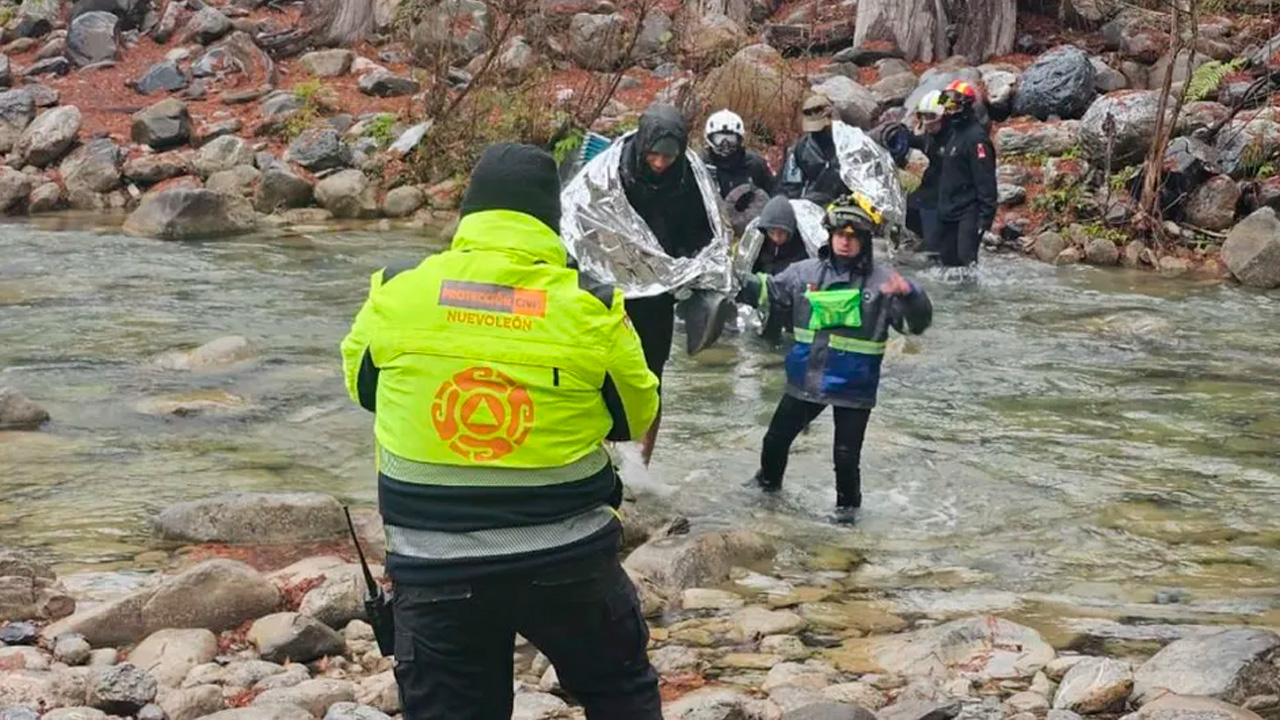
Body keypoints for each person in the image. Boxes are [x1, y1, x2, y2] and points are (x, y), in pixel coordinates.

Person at [340, 143, 663, 720]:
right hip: (567, 560)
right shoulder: (590, 305)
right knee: (621, 693)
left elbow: (365, 389)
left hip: (434, 565)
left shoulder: (397, 291)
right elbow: (634, 416)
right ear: (550, 219)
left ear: (469, 212)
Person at [736, 193, 933, 521]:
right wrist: (735, 281)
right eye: (840, 235)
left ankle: (847, 516)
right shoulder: (805, 273)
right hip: (806, 382)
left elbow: (918, 324)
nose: (845, 243)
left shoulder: (884, 283)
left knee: (845, 458)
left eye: (853, 237)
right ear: (830, 235)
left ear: (865, 241)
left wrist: (911, 296)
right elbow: (768, 291)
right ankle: (767, 492)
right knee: (775, 440)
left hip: (855, 389)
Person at [620, 103, 716, 464]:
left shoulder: (689, 178)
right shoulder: (616, 169)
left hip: (660, 288)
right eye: (655, 155)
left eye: (668, 157)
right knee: (602, 370)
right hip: (614, 281)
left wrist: (689, 269)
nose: (660, 163)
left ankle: (642, 459)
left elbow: (704, 231)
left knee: (651, 374)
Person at [935, 80, 998, 268]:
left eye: (952, 105)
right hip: (948, 211)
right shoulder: (952, 134)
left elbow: (986, 181)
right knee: (946, 263)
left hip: (968, 214)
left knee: (965, 263)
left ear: (965, 106)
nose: (949, 110)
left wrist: (984, 220)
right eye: (946, 105)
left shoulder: (976, 139)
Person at [703, 109, 776, 233]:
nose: (724, 144)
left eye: (730, 139)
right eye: (719, 138)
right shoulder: (702, 165)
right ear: (710, 138)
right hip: (711, 230)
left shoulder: (755, 164)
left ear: (740, 139)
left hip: (751, 229)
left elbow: (774, 195)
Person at [751, 196, 808, 341]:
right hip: (764, 307)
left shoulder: (802, 250)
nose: (776, 238)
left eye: (781, 233)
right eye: (771, 233)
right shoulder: (759, 246)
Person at [779, 93, 851, 207]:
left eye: (822, 128)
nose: (818, 133)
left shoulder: (850, 144)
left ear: (831, 119)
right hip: (813, 206)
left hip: (848, 204)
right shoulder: (801, 149)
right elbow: (790, 186)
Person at [906, 90, 949, 261]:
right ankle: (929, 237)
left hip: (945, 196)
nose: (927, 122)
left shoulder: (955, 138)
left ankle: (936, 245)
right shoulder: (932, 136)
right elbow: (921, 142)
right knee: (907, 209)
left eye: (931, 116)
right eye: (923, 116)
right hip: (929, 189)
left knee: (933, 248)